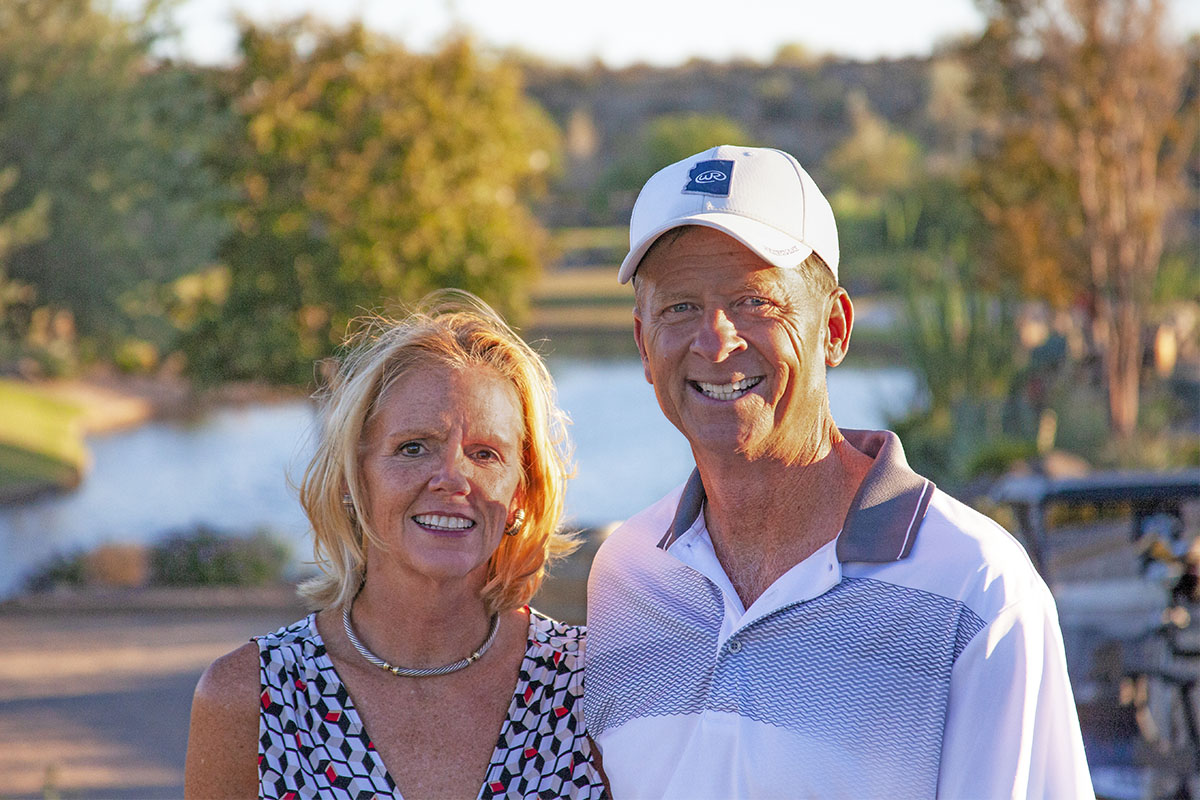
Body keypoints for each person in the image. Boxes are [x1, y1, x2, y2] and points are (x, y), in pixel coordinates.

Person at [583, 145, 1094, 798]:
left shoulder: (978, 592)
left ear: (835, 328)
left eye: (754, 301)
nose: (715, 339)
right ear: (643, 345)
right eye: (678, 307)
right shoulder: (627, 576)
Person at [186, 291, 607, 799]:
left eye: (485, 453)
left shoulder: (594, 687)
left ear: (522, 491)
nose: (452, 477)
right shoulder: (248, 698)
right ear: (352, 477)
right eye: (413, 447)